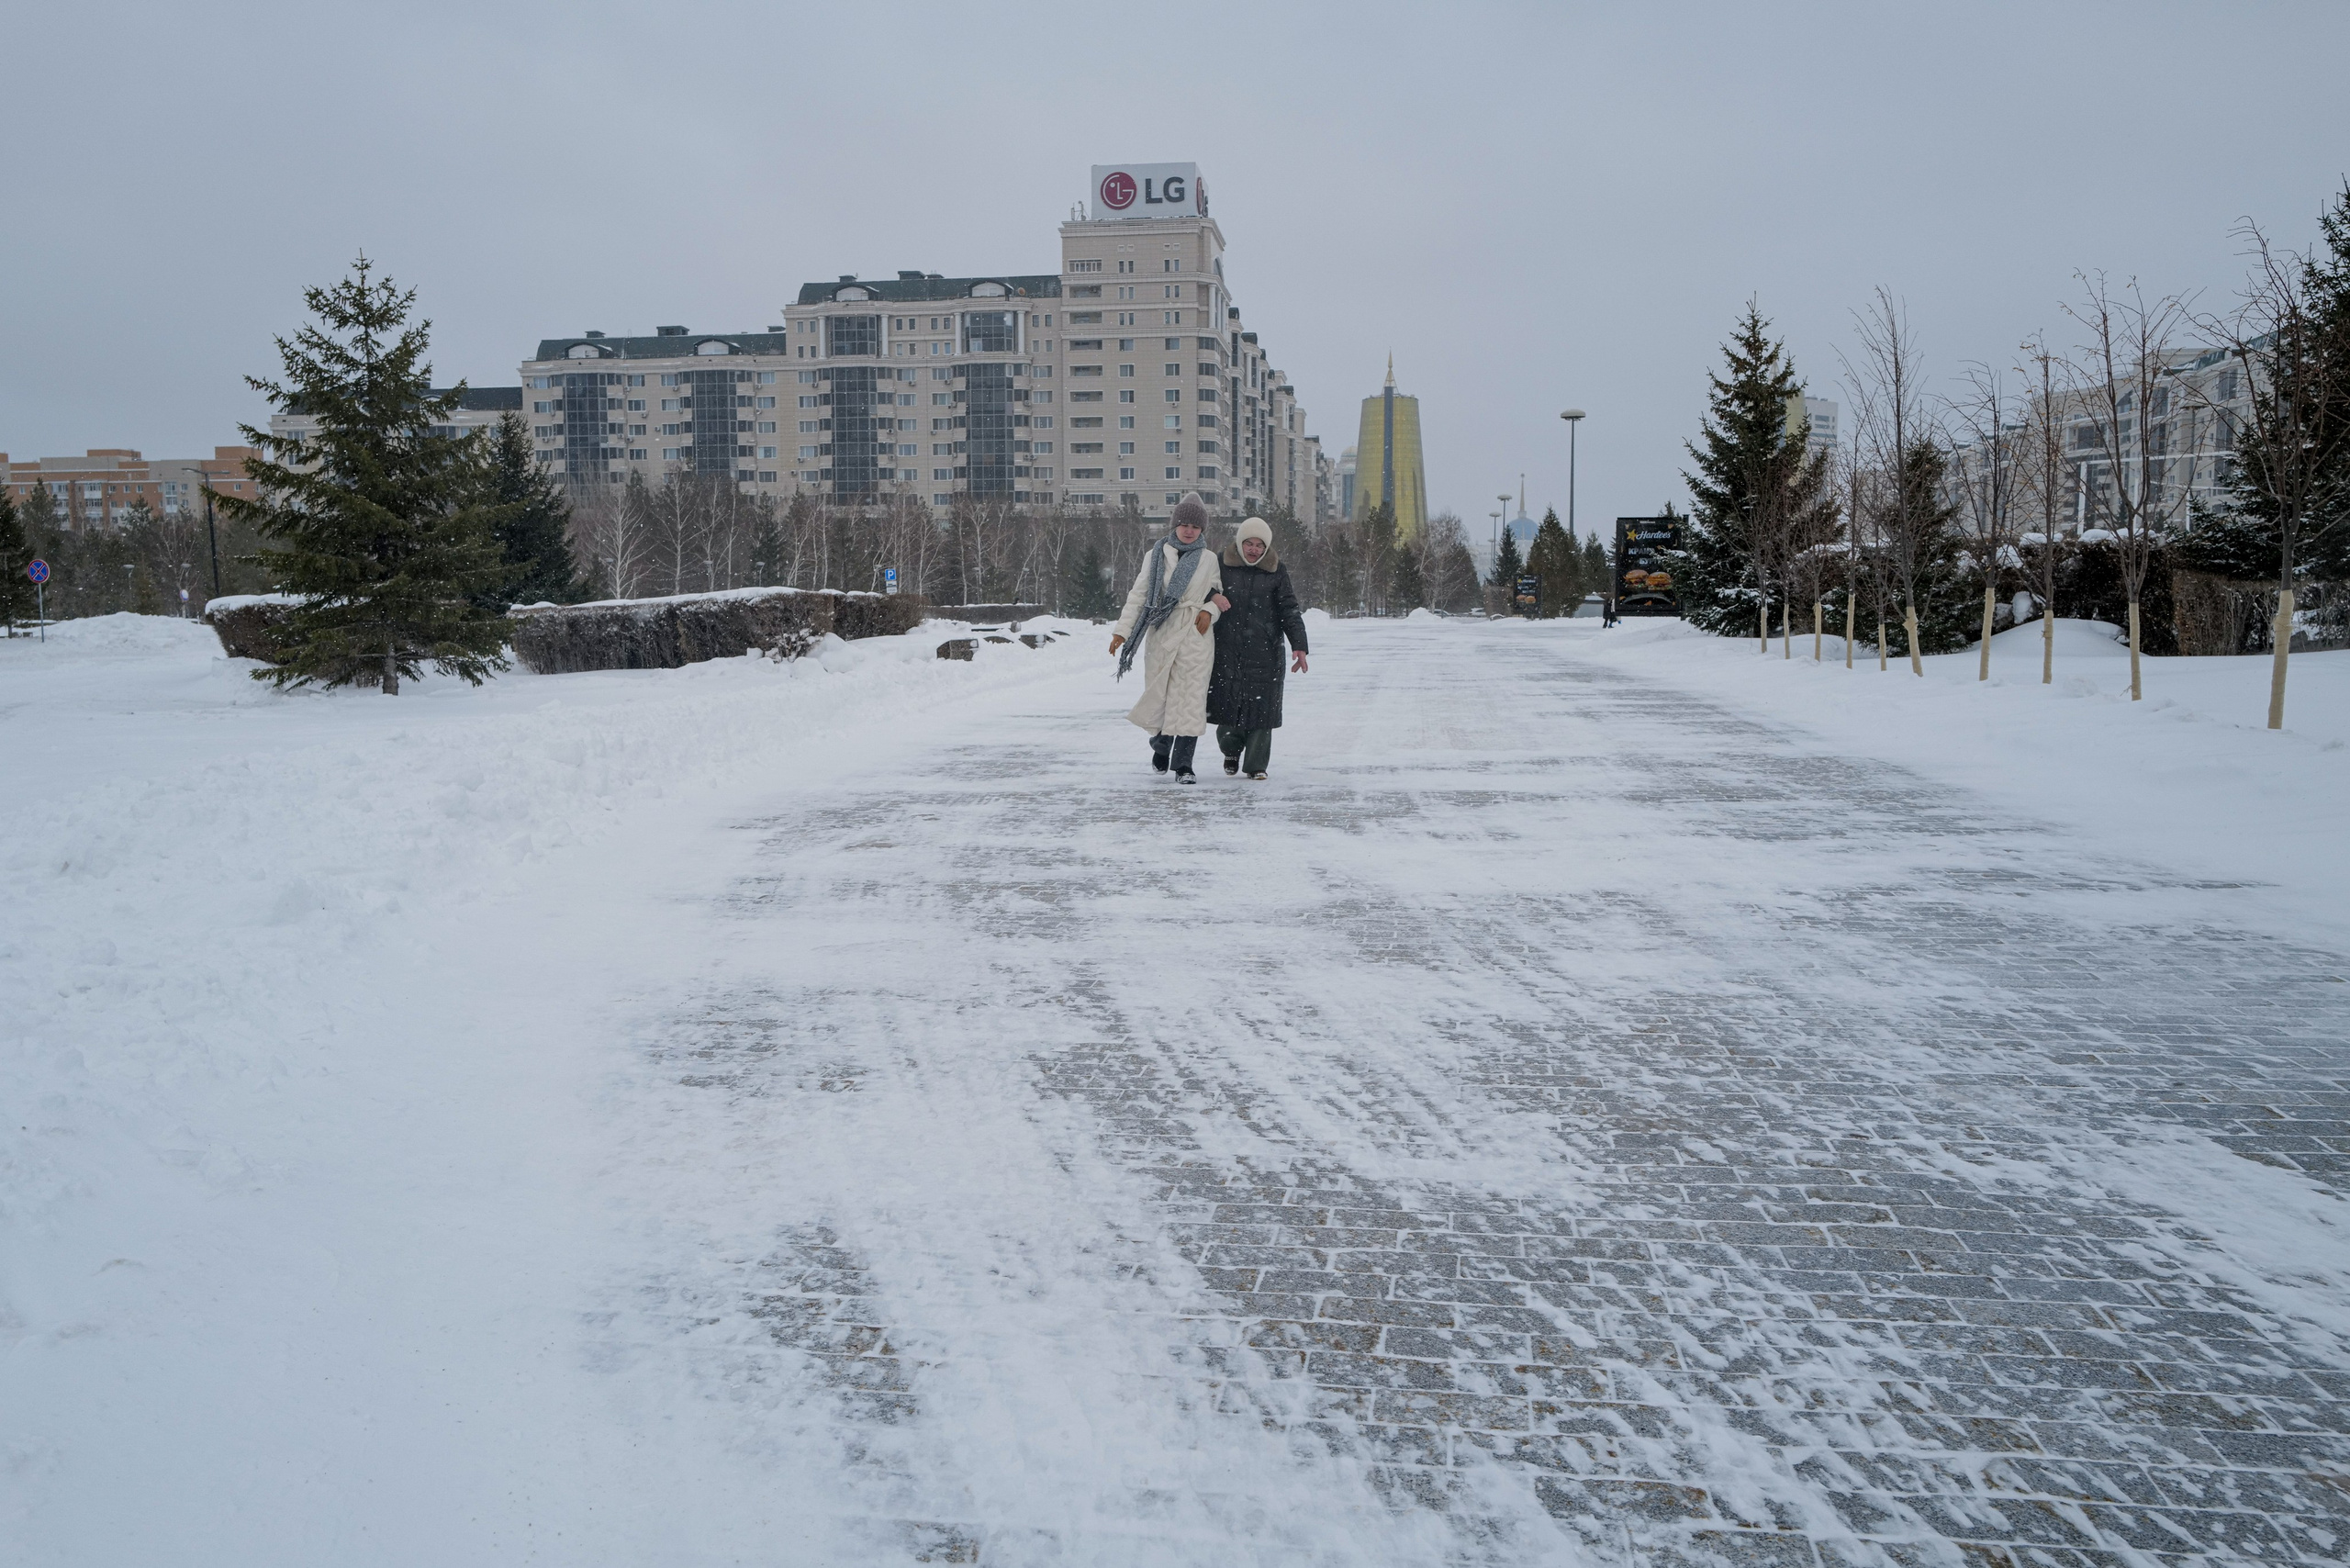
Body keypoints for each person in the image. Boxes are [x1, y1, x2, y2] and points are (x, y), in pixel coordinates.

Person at [1109, 492, 1224, 781]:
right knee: (1160, 696)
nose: (1189, 531)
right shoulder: (1156, 554)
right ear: (1175, 524)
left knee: (1190, 700)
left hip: (1195, 636)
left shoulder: (1209, 559)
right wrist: (1122, 631)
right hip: (1161, 632)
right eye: (1184, 524)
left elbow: (1217, 594)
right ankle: (1161, 746)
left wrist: (1208, 611)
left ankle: (1184, 766)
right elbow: (1139, 595)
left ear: (1202, 529)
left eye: (1195, 526)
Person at [1205, 515, 1308, 780]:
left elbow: (1289, 609)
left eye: (1259, 545)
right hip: (1226, 648)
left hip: (1265, 651)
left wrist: (1299, 645)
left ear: (1266, 547)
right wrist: (1213, 596)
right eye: (1249, 543)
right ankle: (1230, 751)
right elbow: (1201, 590)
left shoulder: (1276, 570)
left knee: (1262, 711)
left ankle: (1256, 765)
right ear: (1240, 543)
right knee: (1228, 704)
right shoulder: (1220, 563)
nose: (1253, 550)